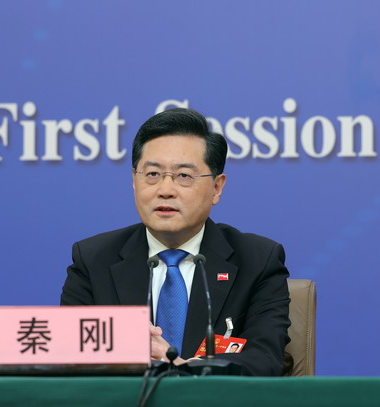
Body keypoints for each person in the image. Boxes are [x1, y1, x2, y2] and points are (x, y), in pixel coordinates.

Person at [60, 108, 291, 376]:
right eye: (152, 174)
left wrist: (181, 369)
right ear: (134, 181)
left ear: (216, 187)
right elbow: (69, 358)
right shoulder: (93, 260)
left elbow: (265, 360)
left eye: (184, 176)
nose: (165, 190)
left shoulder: (258, 260)